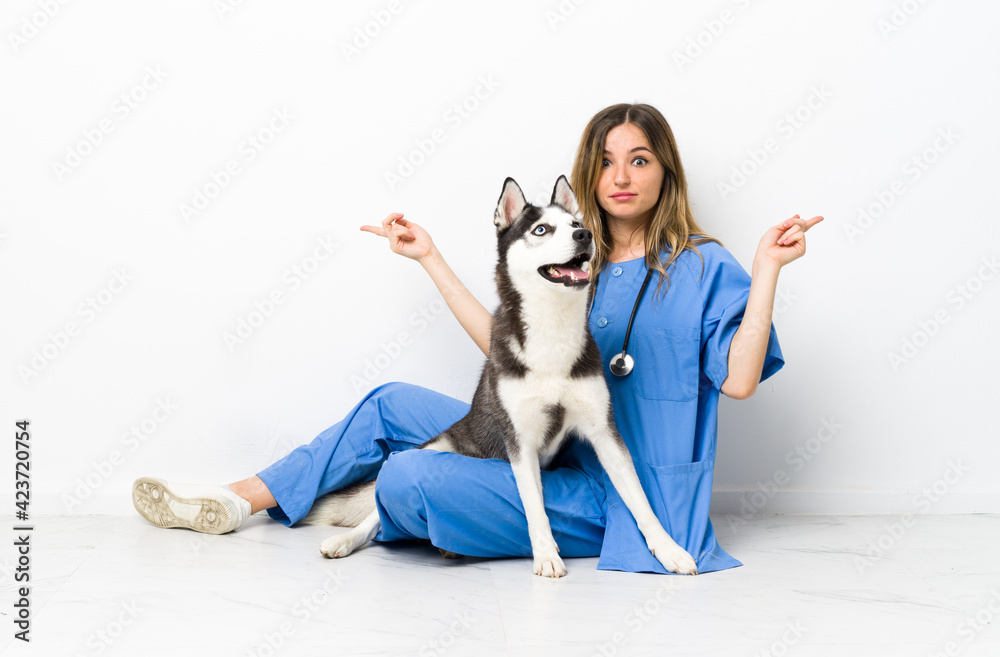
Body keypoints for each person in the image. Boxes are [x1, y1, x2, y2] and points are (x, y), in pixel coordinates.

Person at [132, 103, 822, 574]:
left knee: (410, 472)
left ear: (665, 170)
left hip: (613, 494)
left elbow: (738, 380)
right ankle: (236, 500)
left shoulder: (704, 266)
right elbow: (507, 348)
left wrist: (767, 272)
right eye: (607, 160)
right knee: (389, 403)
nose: (620, 175)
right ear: (589, 171)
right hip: (542, 450)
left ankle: (371, 505)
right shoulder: (568, 256)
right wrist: (431, 257)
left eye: (639, 160)